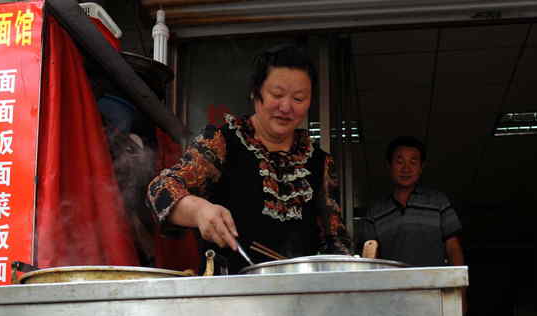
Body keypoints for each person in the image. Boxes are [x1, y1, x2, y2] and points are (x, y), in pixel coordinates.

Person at [147, 44, 351, 273]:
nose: (286, 107)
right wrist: (198, 210)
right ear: (255, 93)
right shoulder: (222, 142)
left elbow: (336, 242)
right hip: (230, 294)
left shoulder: (319, 162)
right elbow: (160, 189)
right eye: (277, 95)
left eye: (299, 98)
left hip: (299, 294)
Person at [356, 136, 465, 267]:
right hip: (393, 286)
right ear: (389, 165)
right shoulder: (375, 212)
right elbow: (370, 257)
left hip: (434, 285)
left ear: (421, 167)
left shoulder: (439, 202)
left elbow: (453, 248)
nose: (406, 168)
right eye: (399, 161)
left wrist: (459, 285)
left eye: (413, 162)